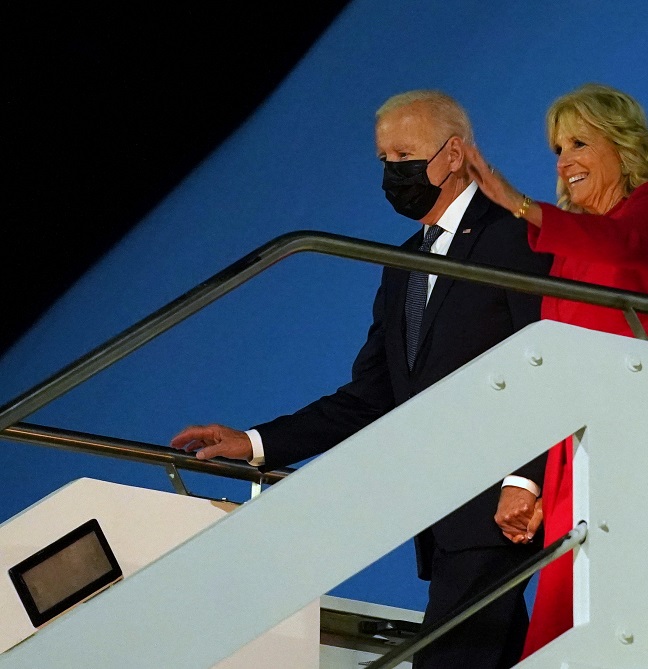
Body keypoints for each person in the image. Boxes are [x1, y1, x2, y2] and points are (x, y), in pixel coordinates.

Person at [170, 90, 552, 669]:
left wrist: (524, 480)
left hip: (503, 510)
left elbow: (546, 361)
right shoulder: (403, 265)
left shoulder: (514, 238)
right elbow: (370, 396)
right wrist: (254, 443)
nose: (392, 172)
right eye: (382, 159)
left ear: (454, 155)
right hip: (446, 517)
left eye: (404, 154)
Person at [466, 83, 648, 657]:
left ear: (622, 147)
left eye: (579, 143)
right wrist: (542, 478)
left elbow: (622, 246)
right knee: (562, 625)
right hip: (578, 451)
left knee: (596, 623)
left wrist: (519, 205)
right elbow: (559, 361)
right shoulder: (564, 250)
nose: (565, 161)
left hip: (639, 433)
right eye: (557, 150)